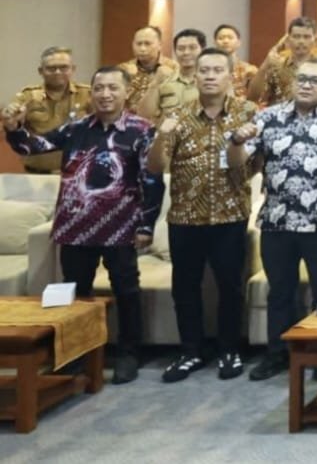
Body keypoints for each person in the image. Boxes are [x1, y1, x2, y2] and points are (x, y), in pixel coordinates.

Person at [3, 66, 162, 384]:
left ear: (126, 92)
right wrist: (14, 128)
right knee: (75, 292)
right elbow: (32, 147)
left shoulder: (141, 130)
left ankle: (129, 353)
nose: (105, 94)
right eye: (99, 88)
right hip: (76, 225)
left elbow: (153, 181)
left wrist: (146, 225)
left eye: (113, 88)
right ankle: (76, 353)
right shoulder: (76, 128)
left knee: (126, 290)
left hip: (120, 226)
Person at [228, 58, 317, 382]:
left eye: (314, 80)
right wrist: (235, 141)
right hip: (278, 220)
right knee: (279, 292)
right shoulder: (268, 117)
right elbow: (238, 162)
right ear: (291, 83)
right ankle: (277, 354)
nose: (306, 85)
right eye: (301, 78)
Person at [146, 48, 258, 382]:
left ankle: (229, 350)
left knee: (230, 287)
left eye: (217, 70)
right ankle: (190, 351)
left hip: (230, 215)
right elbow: (155, 168)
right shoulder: (177, 116)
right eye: (204, 71)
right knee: (185, 288)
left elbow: (252, 165)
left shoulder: (248, 113)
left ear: (230, 75)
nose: (210, 76)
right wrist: (161, 136)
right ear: (194, 76)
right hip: (185, 217)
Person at [9, 46, 91, 173]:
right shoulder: (27, 96)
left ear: (73, 69)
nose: (57, 72)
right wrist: (12, 120)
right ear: (40, 71)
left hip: (78, 174)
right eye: (51, 68)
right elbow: (12, 124)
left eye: (64, 67)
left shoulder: (88, 94)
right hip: (37, 174)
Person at [138, 28, 205, 123]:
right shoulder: (164, 78)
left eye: (192, 48)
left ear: (203, 50)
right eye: (181, 48)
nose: (186, 52)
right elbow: (143, 115)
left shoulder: (211, 80)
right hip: (166, 132)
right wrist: (156, 83)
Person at [248, 17, 317, 106]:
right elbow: (253, 97)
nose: (301, 41)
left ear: (315, 40)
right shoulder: (276, 66)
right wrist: (264, 66)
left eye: (306, 37)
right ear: (288, 40)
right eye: (296, 36)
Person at [120, 25, 176, 115]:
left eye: (147, 44)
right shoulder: (123, 70)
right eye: (139, 44)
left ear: (160, 45)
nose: (142, 49)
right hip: (131, 120)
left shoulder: (173, 68)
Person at [213, 25, 260, 100]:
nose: (225, 41)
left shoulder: (249, 70)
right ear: (215, 42)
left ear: (238, 42)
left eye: (230, 38)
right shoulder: (208, 69)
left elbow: (258, 94)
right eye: (221, 38)